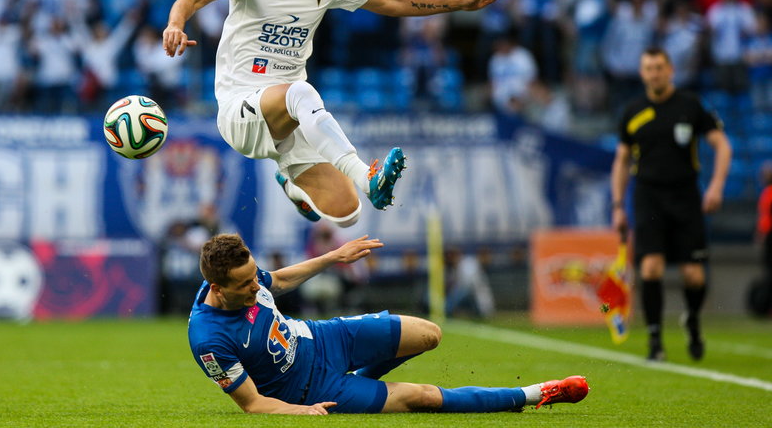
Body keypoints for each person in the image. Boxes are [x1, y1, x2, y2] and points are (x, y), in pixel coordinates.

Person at [163, 0, 510, 228]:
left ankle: (294, 184)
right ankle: (368, 177)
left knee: (348, 214)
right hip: (240, 108)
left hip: (289, 118)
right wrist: (175, 25)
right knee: (302, 92)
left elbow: (389, 1)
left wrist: (461, 3)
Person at [188, 233, 589, 415]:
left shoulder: (245, 278)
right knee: (424, 396)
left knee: (428, 335)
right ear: (217, 289)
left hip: (325, 338)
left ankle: (361, 379)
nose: (255, 285)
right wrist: (298, 412)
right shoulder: (208, 338)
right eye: (245, 284)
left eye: (255, 275)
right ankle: (535, 394)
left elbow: (282, 280)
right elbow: (253, 404)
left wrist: (334, 256)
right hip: (312, 389)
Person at [610, 47, 732, 362]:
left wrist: (716, 187)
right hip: (648, 195)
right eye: (649, 68)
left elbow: (723, 146)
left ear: (670, 70)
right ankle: (655, 339)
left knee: (694, 275)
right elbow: (622, 161)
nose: (654, 73)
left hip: (686, 195)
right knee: (651, 267)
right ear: (642, 73)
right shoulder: (633, 110)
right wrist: (618, 205)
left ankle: (692, 319)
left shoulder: (690, 106)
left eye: (659, 67)